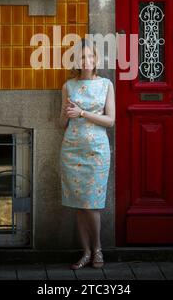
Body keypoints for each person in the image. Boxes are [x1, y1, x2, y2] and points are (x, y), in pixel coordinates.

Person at [59, 38, 115, 269]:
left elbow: (110, 121)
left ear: (97, 60)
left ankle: (98, 249)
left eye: (91, 56)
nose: (87, 61)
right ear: (76, 61)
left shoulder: (106, 85)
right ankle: (85, 252)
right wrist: (66, 114)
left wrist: (82, 113)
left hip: (97, 151)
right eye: (82, 57)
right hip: (72, 149)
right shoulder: (68, 86)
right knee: (79, 205)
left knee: (91, 204)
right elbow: (61, 122)